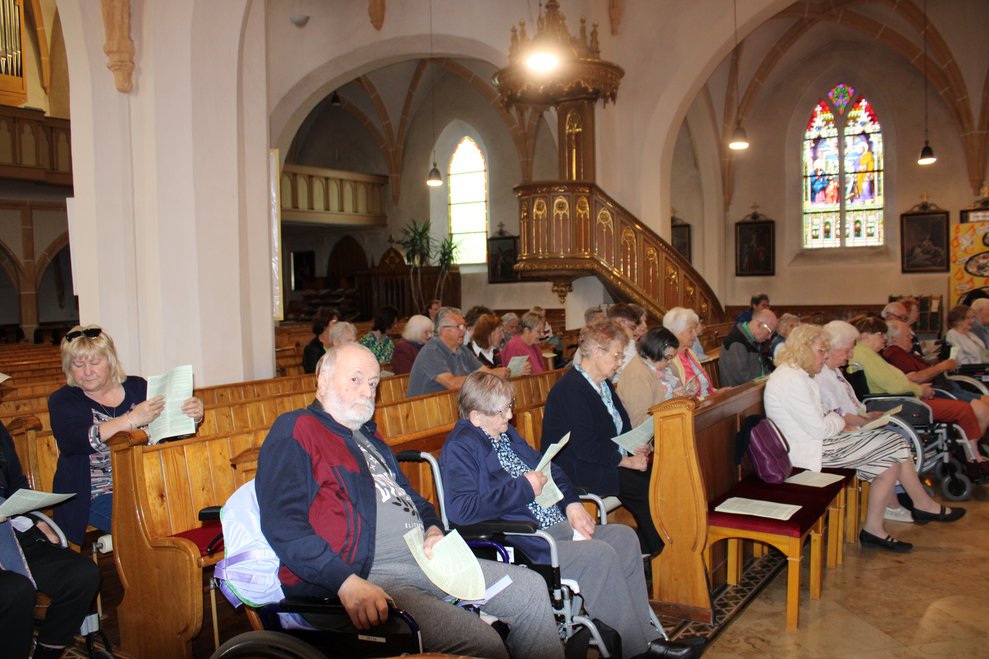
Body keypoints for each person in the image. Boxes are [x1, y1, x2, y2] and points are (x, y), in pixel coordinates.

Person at [255, 344, 564, 659]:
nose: (367, 391)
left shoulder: (369, 438)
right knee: (482, 643)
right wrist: (344, 582)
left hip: (427, 560)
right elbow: (284, 525)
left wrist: (432, 528)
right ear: (322, 380)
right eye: (355, 380)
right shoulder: (296, 430)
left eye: (374, 384)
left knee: (529, 590)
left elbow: (415, 499)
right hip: (369, 574)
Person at [441, 372, 700, 659]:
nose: (510, 415)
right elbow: (461, 510)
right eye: (502, 411)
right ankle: (637, 651)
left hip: (555, 525)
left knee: (625, 537)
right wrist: (523, 488)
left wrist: (572, 504)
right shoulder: (462, 446)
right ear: (476, 416)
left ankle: (646, 638)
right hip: (525, 541)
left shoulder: (505, 435)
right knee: (598, 555)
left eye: (509, 406)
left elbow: (550, 468)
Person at [765, 324, 964, 553]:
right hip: (811, 452)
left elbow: (827, 417)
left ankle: (874, 530)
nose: (825, 356)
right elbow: (822, 427)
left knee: (888, 465)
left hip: (821, 442)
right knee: (894, 441)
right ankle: (921, 504)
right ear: (804, 348)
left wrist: (833, 418)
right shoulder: (791, 379)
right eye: (821, 351)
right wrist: (837, 420)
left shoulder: (800, 375)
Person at [49, 325, 205, 545]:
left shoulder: (137, 387)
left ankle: (182, 572)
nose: (87, 371)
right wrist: (131, 419)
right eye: (78, 364)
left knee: (193, 508)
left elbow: (166, 435)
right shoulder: (63, 399)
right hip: (94, 494)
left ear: (110, 361)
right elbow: (74, 441)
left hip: (149, 483)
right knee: (149, 525)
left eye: (94, 363)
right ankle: (153, 576)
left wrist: (192, 417)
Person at [541, 320, 663, 555]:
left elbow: (623, 425)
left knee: (659, 477)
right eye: (616, 356)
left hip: (603, 459)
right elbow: (584, 446)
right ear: (596, 352)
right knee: (648, 489)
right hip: (575, 467)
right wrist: (627, 461)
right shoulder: (571, 389)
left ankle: (650, 548)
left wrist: (637, 447)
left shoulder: (603, 384)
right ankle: (657, 554)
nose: (619, 363)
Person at [1, 422, 102, 659]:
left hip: (9, 532)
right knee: (15, 591)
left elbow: (15, 483)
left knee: (82, 575)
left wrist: (33, 517)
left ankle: (47, 652)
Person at [850, 316, 989, 471]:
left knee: (965, 406)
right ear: (865, 336)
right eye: (880, 334)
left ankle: (970, 453)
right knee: (962, 409)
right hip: (899, 402)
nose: (884, 338)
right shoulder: (866, 355)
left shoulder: (868, 354)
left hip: (902, 397)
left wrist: (909, 382)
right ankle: (972, 458)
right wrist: (919, 389)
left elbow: (892, 381)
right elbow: (894, 386)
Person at [819, 321, 915, 523]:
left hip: (847, 428)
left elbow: (849, 404)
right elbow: (839, 415)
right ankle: (906, 502)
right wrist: (863, 422)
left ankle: (900, 502)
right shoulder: (819, 374)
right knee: (894, 442)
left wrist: (867, 416)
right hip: (833, 440)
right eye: (847, 350)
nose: (851, 355)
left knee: (895, 440)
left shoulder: (834, 370)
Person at [407, 307, 509, 397]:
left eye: (464, 326)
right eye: (459, 327)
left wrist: (498, 373)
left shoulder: (462, 349)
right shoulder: (431, 351)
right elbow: (452, 383)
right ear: (442, 330)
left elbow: (485, 372)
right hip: (426, 411)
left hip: (453, 406)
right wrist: (491, 375)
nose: (464, 330)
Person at [616, 327, 684, 427]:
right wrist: (673, 403)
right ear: (655, 350)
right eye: (668, 357)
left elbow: (678, 391)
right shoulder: (637, 376)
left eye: (672, 357)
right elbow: (640, 422)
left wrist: (687, 392)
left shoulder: (662, 364)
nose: (670, 362)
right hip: (652, 436)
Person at [662, 307, 717, 398]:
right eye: (690, 330)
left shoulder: (690, 352)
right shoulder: (669, 359)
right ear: (676, 332)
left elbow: (703, 387)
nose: (695, 335)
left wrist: (717, 392)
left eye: (695, 330)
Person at [719, 308, 778, 386]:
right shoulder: (736, 342)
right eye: (770, 332)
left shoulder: (751, 339)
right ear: (760, 325)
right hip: (740, 394)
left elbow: (762, 369)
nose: (769, 337)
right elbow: (742, 379)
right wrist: (768, 380)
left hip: (755, 389)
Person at [303, 307, 340, 374]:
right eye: (334, 323)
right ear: (324, 325)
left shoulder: (339, 344)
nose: (338, 326)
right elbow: (312, 373)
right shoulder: (312, 349)